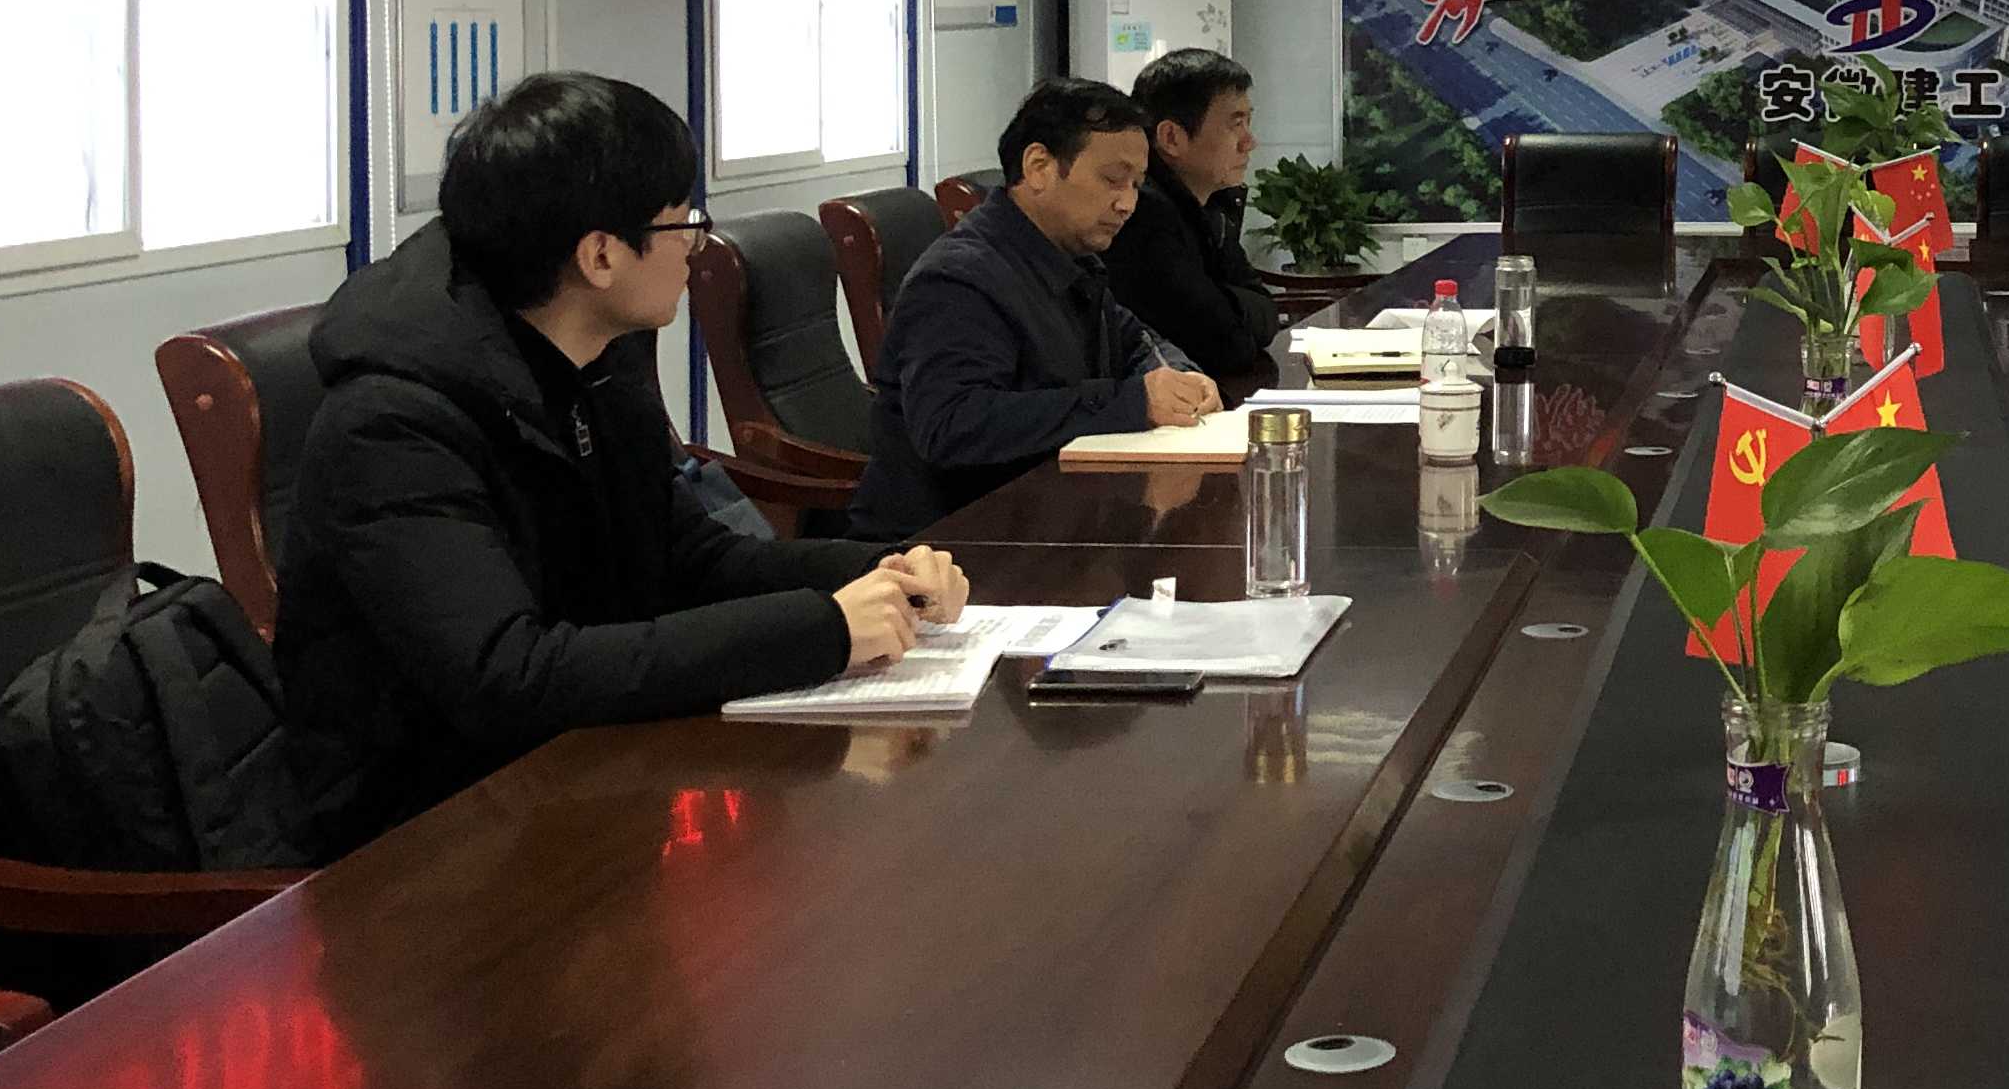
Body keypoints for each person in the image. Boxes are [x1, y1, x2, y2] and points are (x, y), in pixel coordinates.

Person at [276, 73, 962, 849]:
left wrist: (877, 570)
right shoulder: (394, 424)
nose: (697, 246)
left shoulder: (596, 357)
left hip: (587, 775)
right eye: (682, 223)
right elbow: (509, 677)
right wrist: (822, 629)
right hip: (428, 841)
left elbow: (688, 559)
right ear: (601, 255)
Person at [854, 76, 1218, 534]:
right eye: (1112, 179)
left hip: (1052, 516)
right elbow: (952, 425)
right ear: (1039, 167)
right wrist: (1132, 402)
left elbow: (1135, 340)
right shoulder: (957, 279)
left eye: (1136, 185)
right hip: (953, 541)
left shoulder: (1070, 258)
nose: (1127, 203)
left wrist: (1179, 376)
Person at [1105, 46, 1279, 404]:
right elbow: (1225, 344)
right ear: (1171, 137)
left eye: (1249, 122)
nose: (1250, 141)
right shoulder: (1143, 214)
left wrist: (1224, 301)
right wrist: (1229, 304)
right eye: (1235, 124)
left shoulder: (1211, 203)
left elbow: (1265, 310)